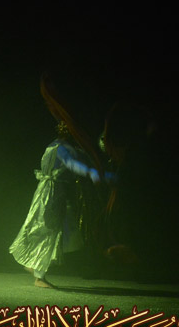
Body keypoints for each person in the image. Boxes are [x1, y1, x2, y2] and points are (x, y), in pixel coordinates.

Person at [9, 121, 112, 288]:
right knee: (49, 230)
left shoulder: (54, 145)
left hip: (51, 191)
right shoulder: (61, 148)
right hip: (52, 192)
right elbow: (71, 163)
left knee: (52, 230)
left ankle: (34, 265)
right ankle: (39, 275)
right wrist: (90, 172)